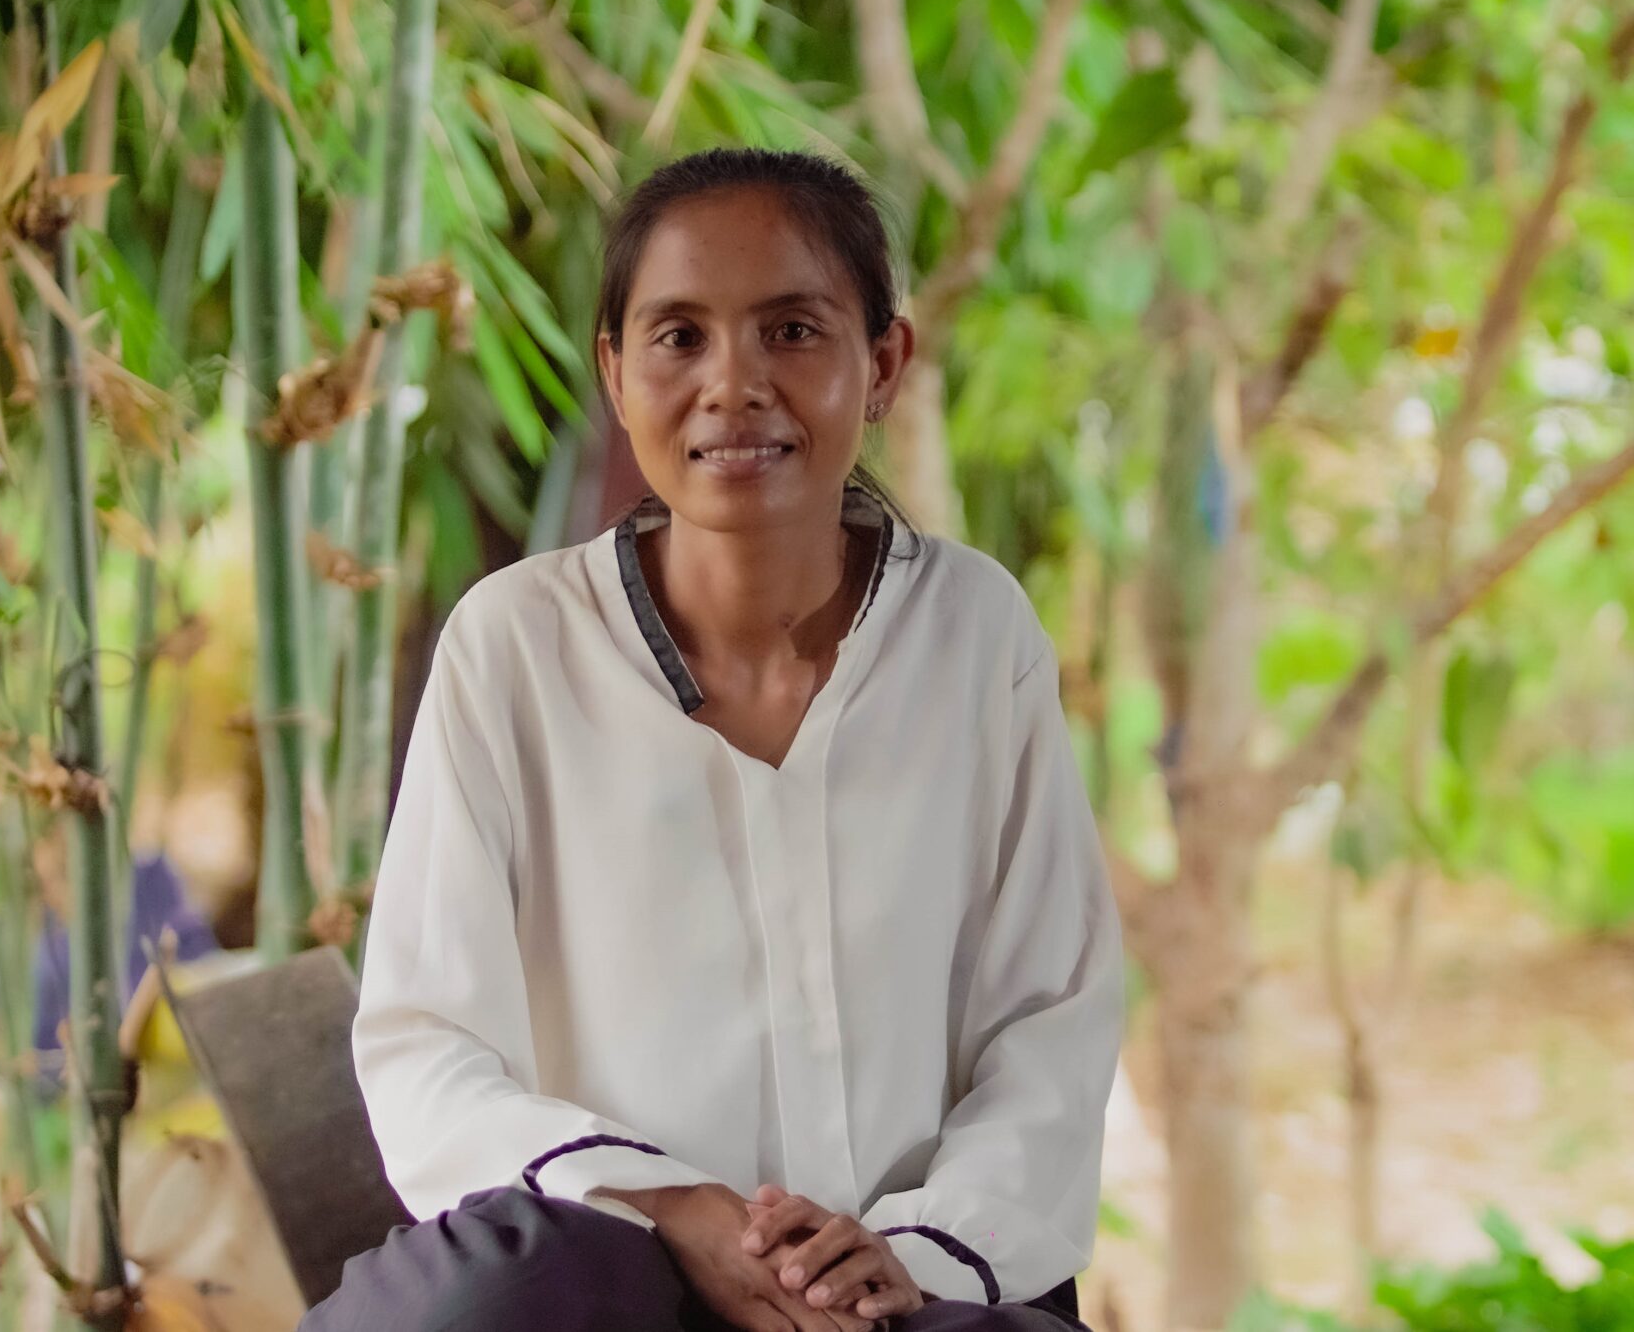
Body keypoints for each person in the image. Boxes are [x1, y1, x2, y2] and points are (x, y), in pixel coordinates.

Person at [302, 148, 1123, 1332]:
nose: (732, 383)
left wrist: (903, 1250)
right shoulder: (514, 646)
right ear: (615, 374)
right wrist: (668, 1202)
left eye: (791, 330)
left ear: (882, 362)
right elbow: (430, 1043)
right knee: (475, 1299)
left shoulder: (973, 632)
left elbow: (1050, 1015)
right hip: (617, 1272)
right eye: (677, 336)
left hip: (907, 1288)